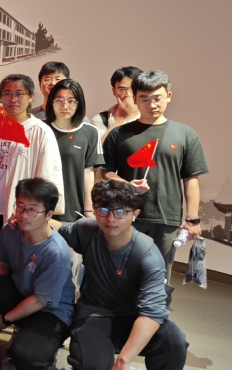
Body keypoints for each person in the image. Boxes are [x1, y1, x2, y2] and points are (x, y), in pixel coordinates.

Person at [55, 180, 188, 370]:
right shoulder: (87, 230)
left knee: (174, 341)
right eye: (103, 210)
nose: (110, 219)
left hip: (134, 315)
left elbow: (152, 312)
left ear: (135, 214)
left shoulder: (147, 253)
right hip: (95, 312)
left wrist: (125, 360)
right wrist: (26, 217)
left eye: (120, 212)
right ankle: (93, 359)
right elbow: (58, 227)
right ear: (95, 210)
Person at [0, 178, 74, 370]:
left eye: (32, 210)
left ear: (49, 215)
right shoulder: (11, 230)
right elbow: (0, 267)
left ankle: (43, 348)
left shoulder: (57, 252)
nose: (23, 215)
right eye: (20, 207)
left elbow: (40, 300)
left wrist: (5, 319)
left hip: (50, 311)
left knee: (27, 360)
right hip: (22, 295)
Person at [101, 70, 208, 281]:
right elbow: (105, 173)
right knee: (122, 273)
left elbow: (191, 179)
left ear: (169, 96)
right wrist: (127, 185)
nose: (152, 104)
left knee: (159, 275)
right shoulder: (119, 134)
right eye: (144, 98)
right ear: (135, 98)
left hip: (166, 218)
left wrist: (192, 219)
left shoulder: (185, 134)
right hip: (126, 215)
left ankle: (157, 305)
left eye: (157, 98)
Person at [0, 74, 64, 269]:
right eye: (7, 94)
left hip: (20, 212)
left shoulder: (40, 131)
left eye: (19, 94)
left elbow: (47, 175)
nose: (13, 99)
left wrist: (34, 210)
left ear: (30, 97)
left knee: (17, 265)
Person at [44, 79, 102, 222]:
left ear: (79, 103)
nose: (65, 106)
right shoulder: (40, 129)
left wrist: (88, 209)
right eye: (59, 100)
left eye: (71, 101)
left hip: (75, 210)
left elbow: (89, 172)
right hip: (42, 208)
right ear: (51, 102)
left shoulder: (90, 132)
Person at [91, 66, 142, 142]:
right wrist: (120, 119)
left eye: (133, 89)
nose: (128, 94)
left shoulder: (151, 116)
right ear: (114, 91)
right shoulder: (101, 119)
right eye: (122, 90)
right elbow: (100, 147)